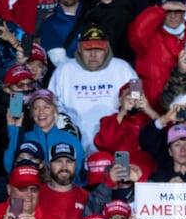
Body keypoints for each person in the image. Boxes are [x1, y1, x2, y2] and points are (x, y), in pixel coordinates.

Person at [49, 25, 137, 154]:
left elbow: (139, 103)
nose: (93, 55)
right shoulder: (63, 70)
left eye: (98, 49)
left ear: (107, 48)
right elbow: (50, 106)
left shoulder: (124, 68)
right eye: (87, 49)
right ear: (79, 48)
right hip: (74, 149)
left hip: (118, 148)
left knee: (120, 174)